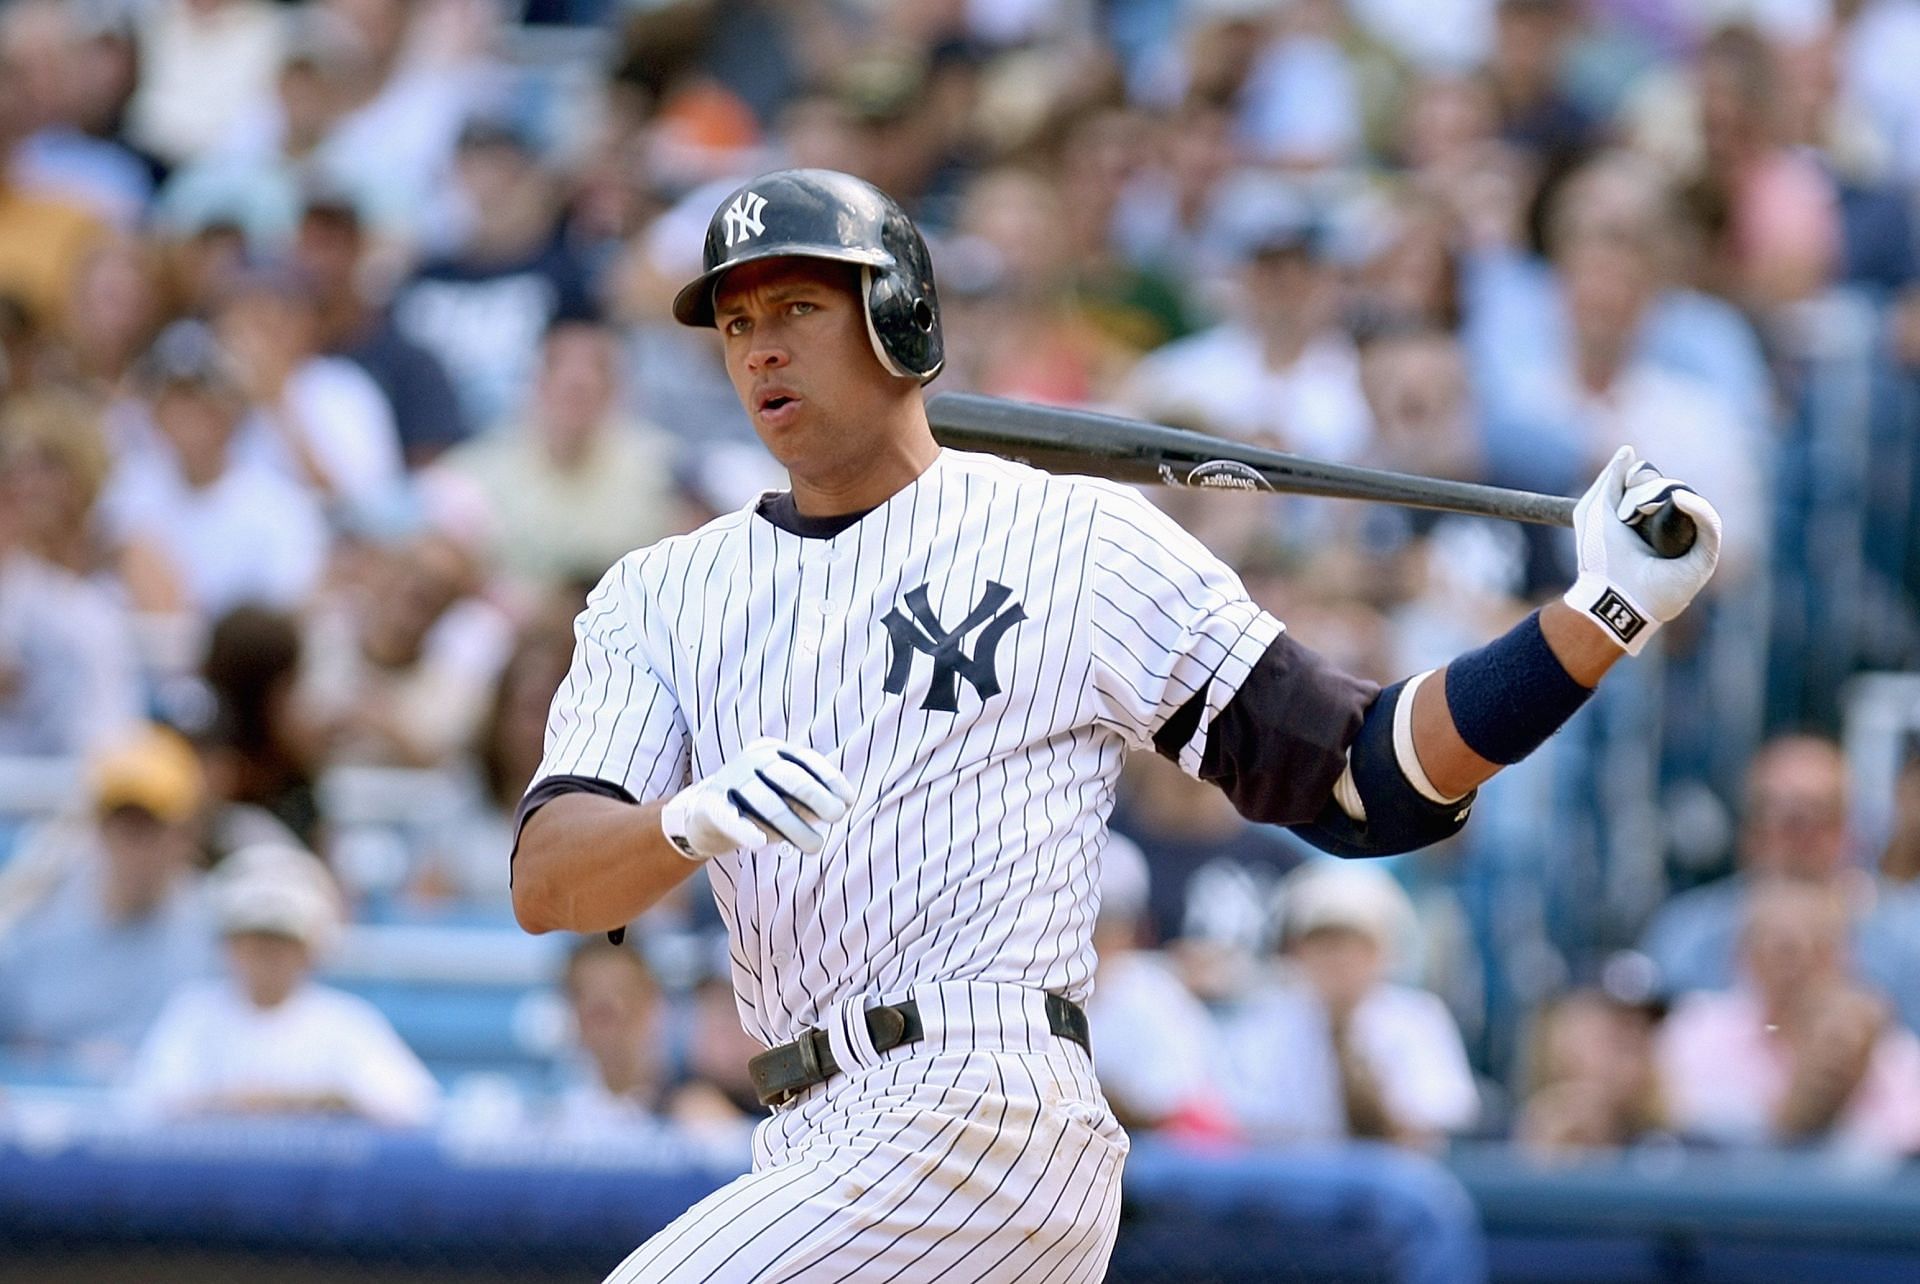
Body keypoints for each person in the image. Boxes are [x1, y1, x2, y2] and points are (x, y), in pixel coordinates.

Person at [508, 168, 1722, 1283]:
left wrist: (1599, 614)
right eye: (736, 323)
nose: (761, 350)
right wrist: (684, 821)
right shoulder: (660, 593)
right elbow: (553, 883)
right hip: (808, 1133)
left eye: (798, 310)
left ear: (901, 321)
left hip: (979, 1107)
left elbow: (1366, 778)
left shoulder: (1074, 540)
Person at [122, 841, 440, 1126]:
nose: (266, 956)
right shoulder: (192, 1013)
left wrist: (317, 1103)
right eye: (254, 940)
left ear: (309, 950)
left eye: (281, 942)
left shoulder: (346, 1021)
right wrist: (232, 1105)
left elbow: (415, 1108)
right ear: (230, 945)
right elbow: (143, 1108)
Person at [0, 724, 218, 1076]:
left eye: (152, 827)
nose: (136, 848)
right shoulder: (37, 917)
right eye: (123, 826)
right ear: (99, 829)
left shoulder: (221, 931)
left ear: (186, 834)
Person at [1215, 861, 1479, 1149]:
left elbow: (1433, 1125)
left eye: (1355, 945)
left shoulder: (1420, 1018)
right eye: (1325, 944)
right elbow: (1246, 1125)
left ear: (1383, 951)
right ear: (1298, 951)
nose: (1340, 959)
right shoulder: (1264, 1019)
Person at [1656, 879, 1920, 1156]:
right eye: (1783, 949)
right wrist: (1786, 1118)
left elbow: (1903, 1152)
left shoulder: (1890, 1050)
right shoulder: (1692, 1031)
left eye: (1819, 948)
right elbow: (1674, 1130)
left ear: (1845, 958)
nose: (1798, 966)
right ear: (1744, 955)